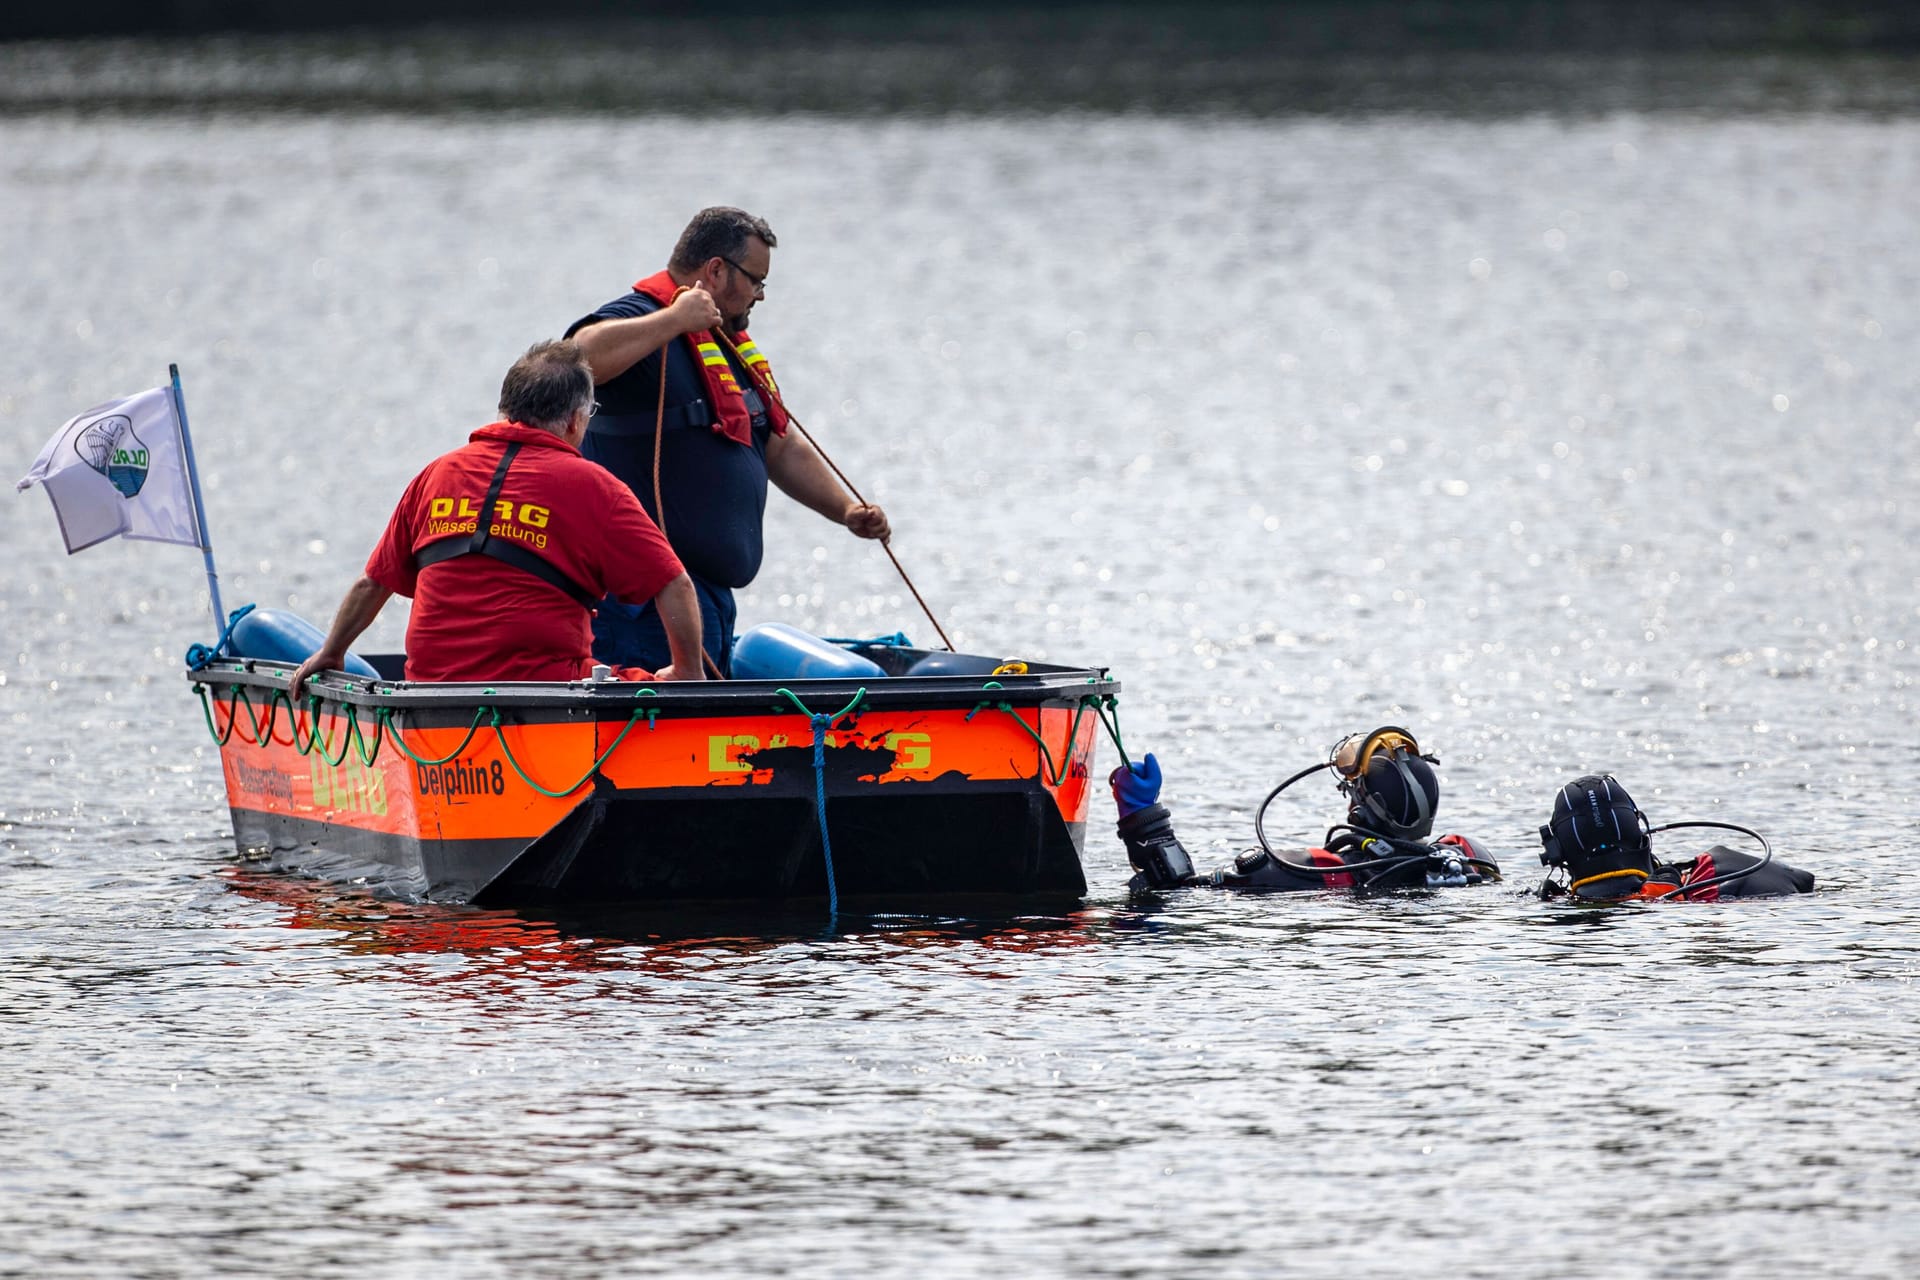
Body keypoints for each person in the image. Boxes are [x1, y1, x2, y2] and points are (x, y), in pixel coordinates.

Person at [564, 206, 890, 677]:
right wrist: (673, 321)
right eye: (756, 280)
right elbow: (574, 359)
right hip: (642, 607)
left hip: (707, 600)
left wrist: (846, 510)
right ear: (716, 270)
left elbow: (778, 444)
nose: (759, 295)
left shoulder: (728, 344)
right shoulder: (644, 316)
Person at [289, 340, 704, 691]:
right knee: (642, 682)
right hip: (547, 692)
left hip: (433, 696)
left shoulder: (437, 474)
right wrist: (687, 672)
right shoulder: (597, 488)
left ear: (506, 408)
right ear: (576, 421)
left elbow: (373, 582)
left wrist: (332, 651)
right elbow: (676, 584)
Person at [1113, 726, 1502, 893]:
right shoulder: (1466, 856)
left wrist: (1145, 818)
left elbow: (1181, 892)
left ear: (1366, 806)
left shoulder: (1320, 869)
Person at [1536, 774, 1814, 900]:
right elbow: (1804, 881)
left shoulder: (1551, 904)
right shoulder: (1713, 877)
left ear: (1557, 852)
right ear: (1641, 832)